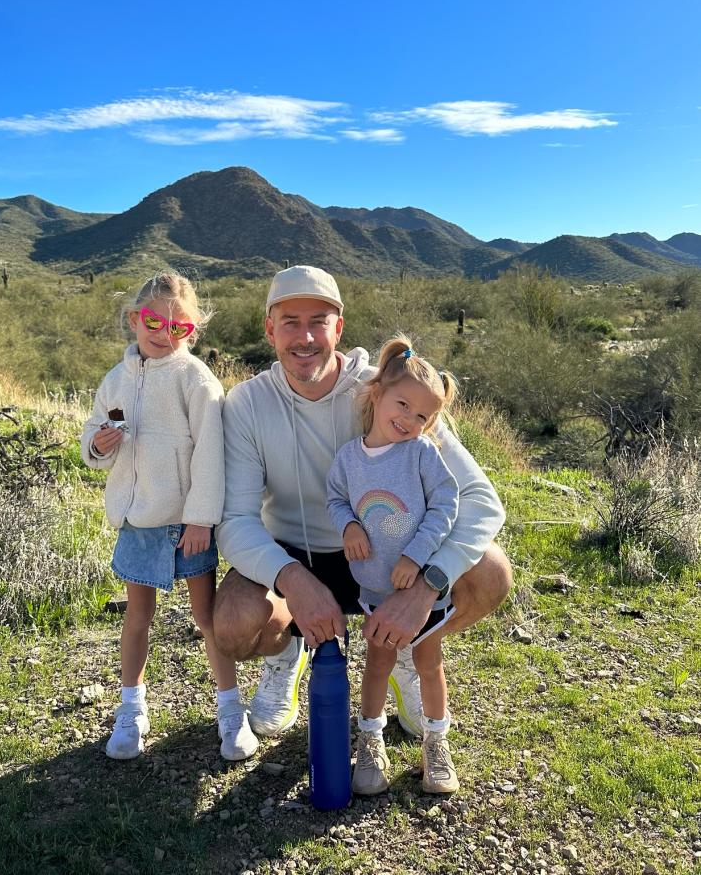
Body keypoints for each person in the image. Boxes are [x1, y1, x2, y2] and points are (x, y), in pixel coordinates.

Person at [213, 265, 510, 778]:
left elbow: (481, 502)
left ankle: (404, 646)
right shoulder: (246, 405)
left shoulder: (389, 391)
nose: (304, 337)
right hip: (294, 555)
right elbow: (236, 521)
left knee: (492, 574)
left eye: (318, 321)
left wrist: (421, 591)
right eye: (289, 322)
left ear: (339, 327)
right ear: (269, 329)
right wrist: (294, 581)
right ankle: (288, 651)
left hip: (393, 558)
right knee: (234, 625)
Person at [81, 272, 257, 763]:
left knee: (206, 619)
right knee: (138, 618)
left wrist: (201, 518)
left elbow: (210, 454)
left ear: (191, 332)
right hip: (138, 519)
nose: (163, 334)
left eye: (178, 328)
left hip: (186, 523)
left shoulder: (195, 379)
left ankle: (230, 711)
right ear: (136, 319)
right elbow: (95, 431)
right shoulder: (115, 379)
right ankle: (131, 711)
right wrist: (97, 445)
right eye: (154, 322)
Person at [327, 335, 461, 794]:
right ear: (378, 391)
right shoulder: (349, 458)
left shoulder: (422, 454)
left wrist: (415, 558)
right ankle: (370, 741)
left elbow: (446, 504)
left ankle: (436, 743)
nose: (409, 420)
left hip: (420, 590)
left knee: (428, 662)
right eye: (402, 405)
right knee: (377, 663)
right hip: (374, 591)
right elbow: (336, 499)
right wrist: (348, 527)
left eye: (422, 415)